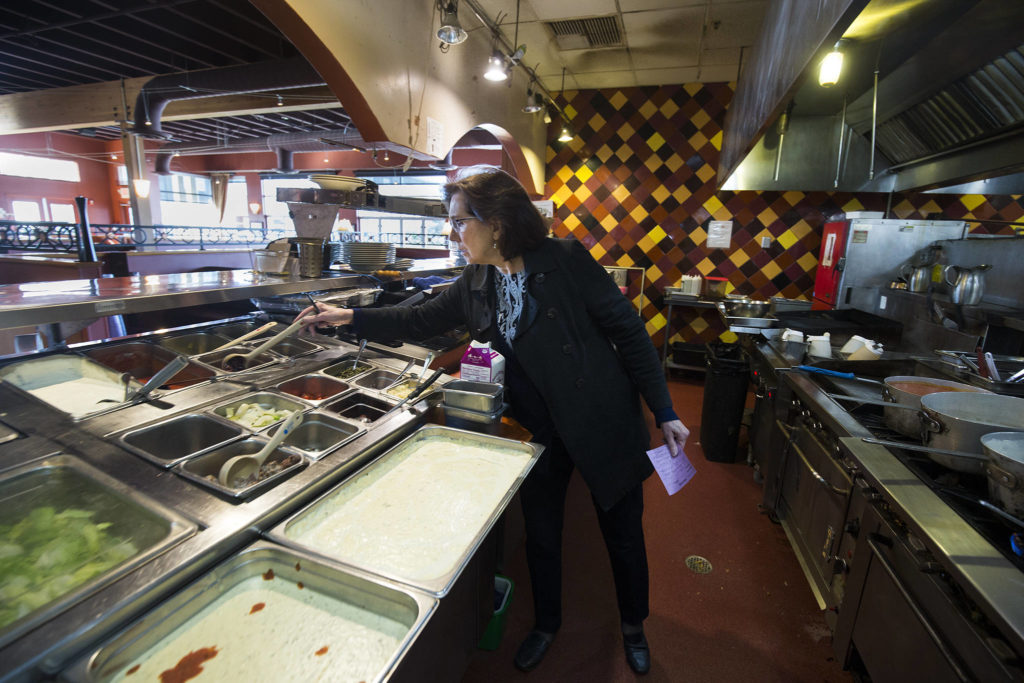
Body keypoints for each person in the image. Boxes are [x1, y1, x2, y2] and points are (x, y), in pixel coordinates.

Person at [295, 167, 689, 675]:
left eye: (459, 222)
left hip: (599, 419)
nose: (451, 233)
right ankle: (547, 623)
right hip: (536, 429)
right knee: (542, 535)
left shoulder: (565, 261)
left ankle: (633, 625)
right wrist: (351, 317)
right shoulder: (478, 278)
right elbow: (421, 318)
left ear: (497, 223)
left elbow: (630, 333)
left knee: (623, 533)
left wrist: (665, 411)